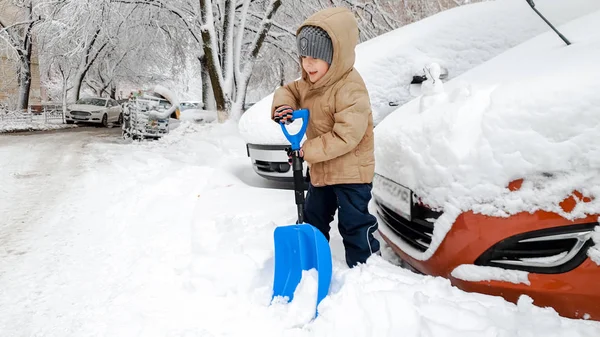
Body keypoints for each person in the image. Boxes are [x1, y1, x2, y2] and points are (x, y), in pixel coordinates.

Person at [271, 7, 380, 268]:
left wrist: (306, 151)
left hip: (352, 175)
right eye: (304, 56)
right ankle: (310, 262)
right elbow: (287, 91)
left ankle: (365, 270)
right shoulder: (308, 83)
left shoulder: (350, 88)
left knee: (354, 224)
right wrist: (283, 106)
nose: (308, 64)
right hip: (322, 171)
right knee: (313, 217)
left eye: (316, 58)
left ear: (336, 55)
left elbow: (346, 136)